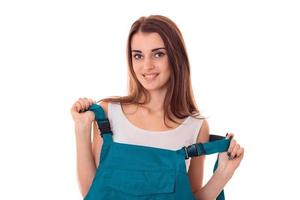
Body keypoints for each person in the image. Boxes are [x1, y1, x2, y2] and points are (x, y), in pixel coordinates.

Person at [70, 15, 244, 200]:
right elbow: (91, 193)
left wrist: (224, 173)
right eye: (138, 55)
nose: (147, 65)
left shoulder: (195, 125)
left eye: (158, 54)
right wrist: (81, 129)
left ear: (176, 57)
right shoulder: (107, 113)